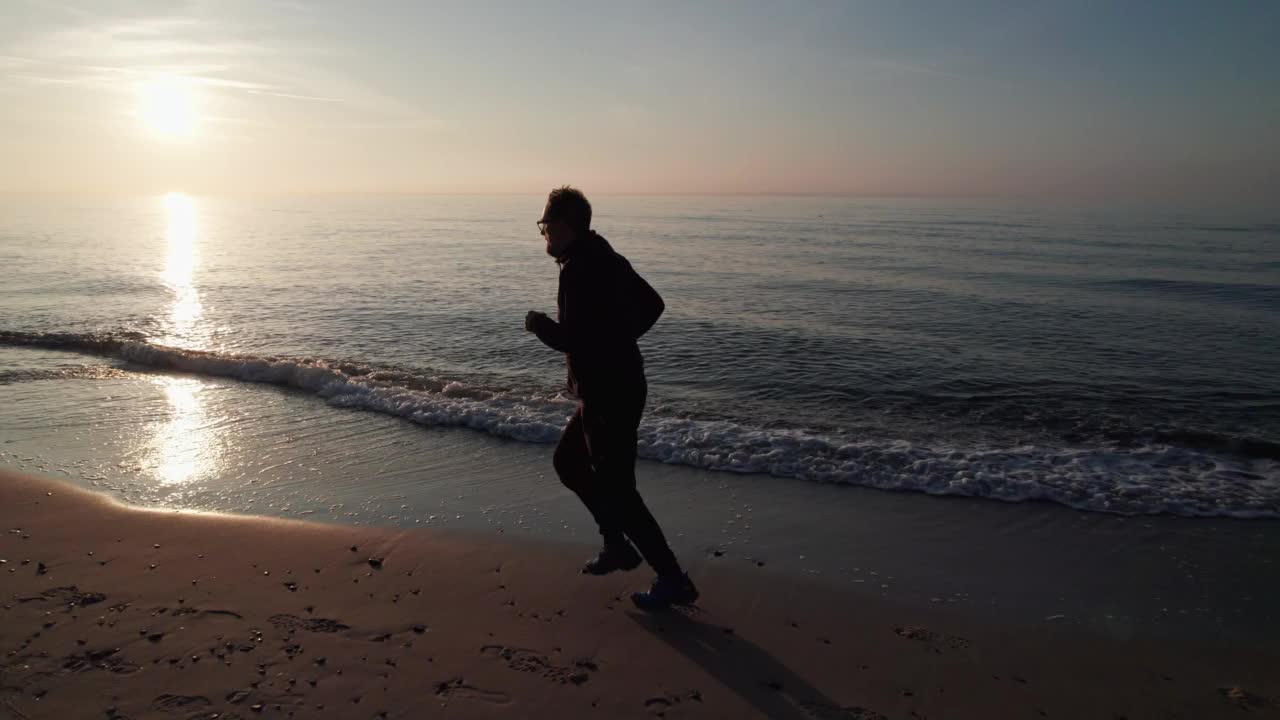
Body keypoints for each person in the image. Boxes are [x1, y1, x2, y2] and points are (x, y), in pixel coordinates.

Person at [524, 186, 698, 610]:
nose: (544, 233)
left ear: (567, 227)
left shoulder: (581, 267)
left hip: (610, 395)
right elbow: (652, 305)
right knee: (569, 462)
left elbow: (576, 337)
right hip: (611, 388)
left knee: (620, 491)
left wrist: (539, 325)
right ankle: (615, 544)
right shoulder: (604, 256)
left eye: (547, 225)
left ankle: (672, 577)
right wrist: (617, 340)